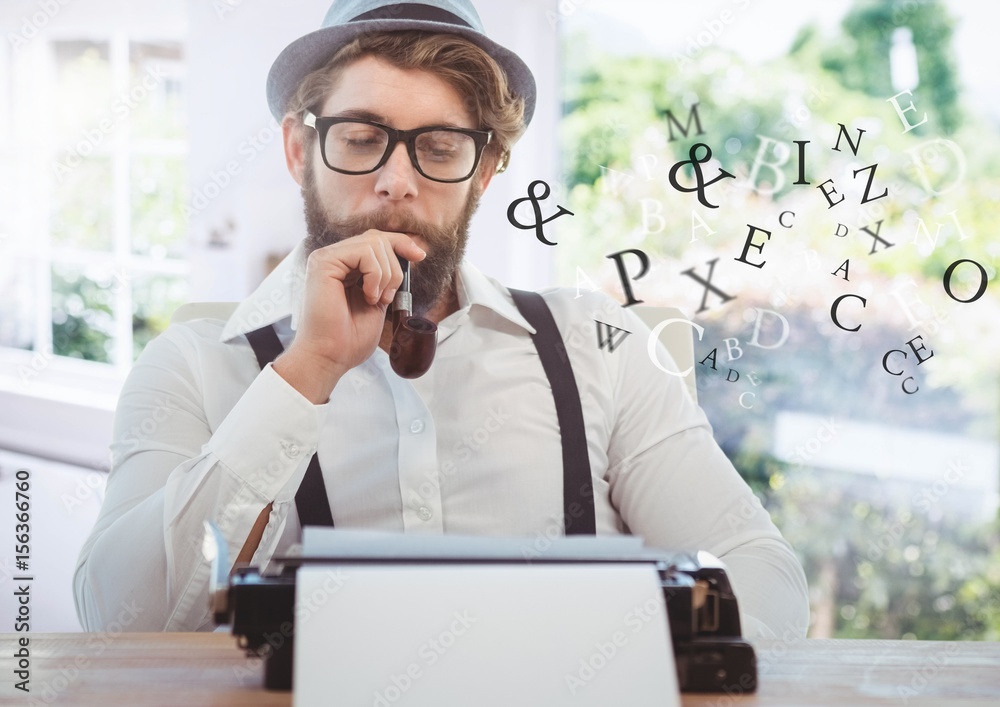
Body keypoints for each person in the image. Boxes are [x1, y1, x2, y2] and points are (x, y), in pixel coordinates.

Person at [74, 0, 809, 638]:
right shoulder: (191, 365)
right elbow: (118, 621)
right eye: (361, 138)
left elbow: (767, 587)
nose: (397, 180)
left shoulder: (604, 347)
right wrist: (305, 375)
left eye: (439, 147)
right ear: (301, 151)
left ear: (485, 171)